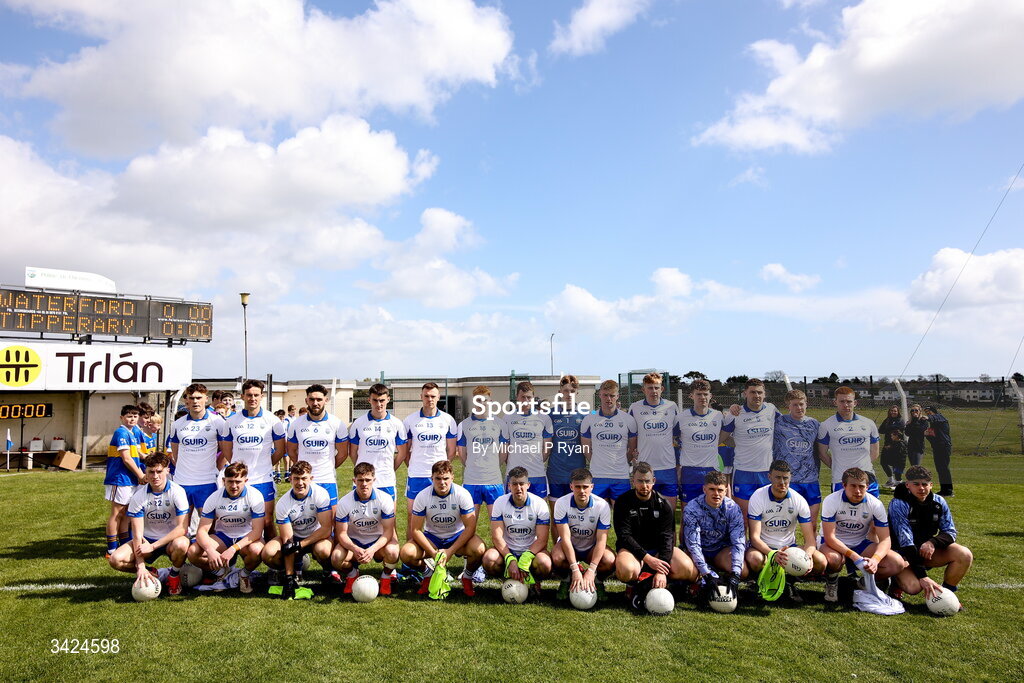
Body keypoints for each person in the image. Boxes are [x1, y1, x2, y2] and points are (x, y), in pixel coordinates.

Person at [819, 467, 906, 602]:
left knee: (897, 563)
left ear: (867, 487)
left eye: (861, 486)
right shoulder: (832, 500)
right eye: (853, 486)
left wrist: (875, 560)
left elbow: (885, 539)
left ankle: (861, 583)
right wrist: (854, 557)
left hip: (860, 543)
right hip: (833, 544)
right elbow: (830, 537)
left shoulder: (875, 504)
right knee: (834, 559)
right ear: (844, 485)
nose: (858, 491)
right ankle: (832, 582)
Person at [614, 462, 697, 603]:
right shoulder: (623, 502)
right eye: (640, 481)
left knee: (689, 570)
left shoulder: (664, 504)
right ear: (633, 481)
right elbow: (624, 536)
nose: (644, 485)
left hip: (658, 551)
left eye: (647, 481)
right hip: (633, 552)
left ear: (654, 481)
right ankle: (632, 585)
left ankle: (662, 581)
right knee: (625, 570)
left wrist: (661, 569)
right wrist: (647, 558)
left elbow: (668, 538)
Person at [400, 460, 485, 597]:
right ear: (432, 478)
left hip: (456, 536)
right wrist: (434, 554)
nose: (442, 482)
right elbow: (415, 530)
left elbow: (470, 527)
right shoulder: (422, 496)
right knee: (406, 553)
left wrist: (450, 551)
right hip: (432, 537)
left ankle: (467, 577)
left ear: (452, 477)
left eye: (446, 478)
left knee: (479, 549)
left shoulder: (462, 494)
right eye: (438, 478)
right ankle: (427, 575)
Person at [109, 453, 190, 595]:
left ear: (167, 471)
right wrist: (140, 566)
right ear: (145, 471)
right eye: (151, 472)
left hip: (169, 540)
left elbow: (182, 528)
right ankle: (152, 573)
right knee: (116, 560)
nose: (155, 476)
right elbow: (137, 534)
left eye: (159, 471)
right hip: (146, 540)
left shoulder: (177, 492)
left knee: (182, 544)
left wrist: (153, 546)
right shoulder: (139, 496)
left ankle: (174, 575)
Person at [889, 465, 972, 604]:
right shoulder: (899, 503)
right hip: (902, 554)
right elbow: (905, 541)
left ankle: (947, 596)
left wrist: (931, 543)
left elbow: (950, 531)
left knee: (964, 554)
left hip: (925, 552)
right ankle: (895, 584)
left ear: (931, 485)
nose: (921, 488)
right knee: (914, 588)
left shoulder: (939, 502)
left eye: (925, 484)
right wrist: (923, 576)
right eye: (916, 484)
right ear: (908, 485)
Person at [744, 460, 825, 601]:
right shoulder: (758, 497)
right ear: (769, 477)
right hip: (764, 548)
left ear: (790, 478)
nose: (782, 482)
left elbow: (810, 541)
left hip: (789, 548)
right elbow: (754, 538)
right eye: (778, 477)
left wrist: (808, 556)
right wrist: (773, 554)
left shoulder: (799, 500)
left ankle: (790, 582)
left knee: (820, 561)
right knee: (754, 559)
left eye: (785, 478)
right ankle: (758, 581)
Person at [187, 462, 266, 594]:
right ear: (223, 481)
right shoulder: (214, 497)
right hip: (223, 537)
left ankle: (244, 575)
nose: (234, 486)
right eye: (230, 481)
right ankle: (221, 572)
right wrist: (210, 550)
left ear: (246, 481)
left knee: (257, 550)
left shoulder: (255, 496)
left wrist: (233, 549)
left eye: (238, 481)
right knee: (193, 552)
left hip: (246, 536)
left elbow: (257, 531)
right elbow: (201, 531)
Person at [223, 379, 286, 540]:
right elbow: (227, 450)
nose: (252, 398)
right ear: (242, 396)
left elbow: (280, 449)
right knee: (239, 520)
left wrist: (265, 464)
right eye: (249, 395)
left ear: (262, 396)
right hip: (239, 480)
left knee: (267, 520)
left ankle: (272, 559)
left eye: (256, 395)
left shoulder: (272, 420)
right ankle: (235, 559)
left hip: (263, 479)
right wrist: (239, 469)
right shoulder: (231, 421)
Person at [262, 460, 333, 598]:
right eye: (296, 479)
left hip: (316, 537)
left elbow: (326, 529)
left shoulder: (321, 494)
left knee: (323, 550)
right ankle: (288, 573)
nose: (300, 483)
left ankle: (327, 571)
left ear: (311, 479)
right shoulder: (283, 503)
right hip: (295, 537)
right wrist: (289, 578)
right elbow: (288, 542)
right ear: (290, 479)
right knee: (268, 553)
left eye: (304, 478)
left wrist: (300, 545)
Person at [332, 462, 401, 595]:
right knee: (336, 558)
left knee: (393, 552)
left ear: (374, 480)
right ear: (354, 480)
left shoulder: (385, 499)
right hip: (354, 542)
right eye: (360, 480)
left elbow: (388, 531)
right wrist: (355, 548)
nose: (364, 484)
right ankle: (352, 574)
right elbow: (341, 534)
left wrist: (372, 550)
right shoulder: (344, 502)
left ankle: (386, 577)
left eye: (368, 480)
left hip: (378, 541)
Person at [482, 467, 552, 591]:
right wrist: (510, 558)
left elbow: (542, 540)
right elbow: (496, 536)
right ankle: (507, 577)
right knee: (489, 559)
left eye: (521, 484)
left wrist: (526, 557)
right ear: (509, 486)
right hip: (508, 551)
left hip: (531, 552)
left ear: (528, 485)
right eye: (514, 484)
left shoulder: (540, 504)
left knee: (544, 563)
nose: (518, 488)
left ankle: (535, 580)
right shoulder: (500, 502)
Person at [682, 470, 747, 600]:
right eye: (712, 489)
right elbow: (693, 544)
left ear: (725, 490)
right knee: (688, 571)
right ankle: (701, 580)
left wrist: (735, 574)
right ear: (704, 489)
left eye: (720, 490)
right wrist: (705, 573)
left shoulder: (733, 508)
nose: (716, 494)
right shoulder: (692, 508)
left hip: (720, 551)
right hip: (698, 550)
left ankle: (724, 580)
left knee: (743, 571)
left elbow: (738, 541)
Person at [169, 383, 229, 523]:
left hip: (206, 481)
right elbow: (176, 453)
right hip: (182, 481)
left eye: (198, 397)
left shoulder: (217, 421)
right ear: (186, 401)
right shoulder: (177, 424)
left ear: (206, 399)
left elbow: (225, 451)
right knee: (181, 526)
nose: (195, 401)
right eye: (192, 398)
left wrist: (216, 469)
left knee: (209, 524)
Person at [551, 467, 615, 600]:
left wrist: (591, 570)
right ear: (571, 486)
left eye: (585, 487)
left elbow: (602, 540)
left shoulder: (602, 506)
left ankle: (597, 582)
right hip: (570, 546)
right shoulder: (561, 503)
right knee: (557, 557)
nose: (581, 491)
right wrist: (574, 568)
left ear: (592, 487)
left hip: (591, 547)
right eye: (577, 487)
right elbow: (565, 538)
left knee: (609, 559)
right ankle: (567, 579)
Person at [722, 378, 778, 524]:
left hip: (766, 472)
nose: (756, 395)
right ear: (745, 393)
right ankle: (744, 546)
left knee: (767, 515)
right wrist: (739, 443)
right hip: (743, 471)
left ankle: (763, 546)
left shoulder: (771, 410)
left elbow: (788, 424)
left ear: (764, 394)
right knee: (744, 516)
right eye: (752, 392)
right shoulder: (735, 414)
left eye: (760, 392)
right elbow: (721, 438)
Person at [286, 384, 348, 507]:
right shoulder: (296, 424)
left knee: (331, 520)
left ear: (326, 400)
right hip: (304, 480)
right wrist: (303, 470)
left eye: (319, 399)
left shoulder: (336, 423)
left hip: (327, 480)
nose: (315, 403)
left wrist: (328, 467)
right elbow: (292, 451)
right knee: (305, 520)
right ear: (306, 401)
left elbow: (343, 453)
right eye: (312, 399)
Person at [628, 372, 680, 509]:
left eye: (656, 387)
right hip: (645, 467)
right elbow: (631, 435)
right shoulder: (635, 408)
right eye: (650, 388)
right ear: (643, 389)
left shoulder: (672, 406)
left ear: (662, 389)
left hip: (668, 466)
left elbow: (678, 434)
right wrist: (633, 458)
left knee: (669, 513)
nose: (654, 391)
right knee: (645, 513)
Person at [772, 389, 823, 530]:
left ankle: (811, 550)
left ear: (806, 404)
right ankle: (788, 550)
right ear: (788, 406)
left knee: (811, 522)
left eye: (801, 404)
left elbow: (821, 449)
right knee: (786, 523)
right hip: (788, 480)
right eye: (794, 405)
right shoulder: (778, 422)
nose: (799, 408)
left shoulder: (814, 425)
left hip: (810, 480)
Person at [348, 383, 408, 500]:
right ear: (369, 400)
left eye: (382, 400)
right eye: (375, 400)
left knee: (389, 517)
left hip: (386, 480)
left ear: (388, 400)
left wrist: (390, 469)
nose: (379, 404)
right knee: (360, 517)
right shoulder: (358, 423)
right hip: (363, 481)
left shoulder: (397, 424)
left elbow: (402, 453)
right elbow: (353, 452)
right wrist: (362, 470)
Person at [817, 387, 881, 497]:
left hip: (867, 479)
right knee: (842, 514)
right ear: (835, 402)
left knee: (871, 513)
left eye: (849, 401)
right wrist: (838, 466)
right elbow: (822, 454)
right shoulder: (826, 425)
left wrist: (861, 468)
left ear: (855, 403)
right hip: (840, 480)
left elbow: (875, 453)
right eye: (842, 401)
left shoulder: (868, 423)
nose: (846, 405)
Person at [581, 380, 637, 503]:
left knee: (622, 517)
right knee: (598, 517)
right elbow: (586, 449)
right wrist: (597, 461)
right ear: (599, 395)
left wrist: (622, 462)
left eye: (612, 395)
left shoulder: (628, 419)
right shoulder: (589, 419)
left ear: (617, 396)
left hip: (620, 476)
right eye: (605, 395)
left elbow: (632, 449)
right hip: (597, 476)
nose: (609, 399)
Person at [403, 382, 458, 505]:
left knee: (439, 511)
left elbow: (452, 451)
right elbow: (405, 452)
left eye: (433, 396)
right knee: (412, 513)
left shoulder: (448, 420)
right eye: (426, 396)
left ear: (439, 397)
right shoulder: (410, 420)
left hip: (440, 476)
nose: (430, 399)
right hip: (417, 474)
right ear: (421, 397)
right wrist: (414, 466)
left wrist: (443, 470)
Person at [457, 386, 507, 519]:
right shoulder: (464, 425)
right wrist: (473, 466)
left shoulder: (500, 424)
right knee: (469, 525)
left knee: (498, 523)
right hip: (471, 481)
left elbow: (503, 452)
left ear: (491, 402)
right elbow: (462, 454)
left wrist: (494, 465)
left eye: (485, 400)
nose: (482, 403)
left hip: (494, 480)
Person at [104, 404, 146, 555]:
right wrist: (140, 475)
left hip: (129, 479)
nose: (132, 419)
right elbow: (127, 459)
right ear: (121, 418)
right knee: (117, 513)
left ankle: (123, 546)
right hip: (119, 478)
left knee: (127, 514)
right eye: (129, 416)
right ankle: (111, 549)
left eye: (135, 416)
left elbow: (137, 453)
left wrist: (147, 458)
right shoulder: (121, 432)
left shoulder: (132, 432)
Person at [677, 380, 725, 511]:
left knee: (713, 513)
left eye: (705, 394)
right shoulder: (681, 417)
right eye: (698, 394)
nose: (702, 397)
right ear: (691, 396)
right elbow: (672, 440)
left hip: (712, 469)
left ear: (710, 396)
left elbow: (727, 436)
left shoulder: (718, 416)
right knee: (688, 514)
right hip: (690, 471)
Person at [504, 381, 554, 498]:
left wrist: (537, 461)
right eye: (523, 397)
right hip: (513, 474)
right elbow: (505, 446)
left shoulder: (544, 418)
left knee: (540, 511)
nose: (526, 401)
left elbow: (547, 448)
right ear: (517, 397)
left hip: (537, 474)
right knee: (513, 511)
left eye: (529, 397)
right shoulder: (508, 417)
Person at [547, 375, 587, 506]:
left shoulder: (585, 415)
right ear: (560, 392)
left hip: (577, 472)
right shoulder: (550, 415)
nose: (569, 394)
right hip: (556, 473)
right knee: (555, 518)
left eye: (573, 391)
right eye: (566, 391)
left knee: (575, 517)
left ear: (577, 393)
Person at [924, 406, 954, 497]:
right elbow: (934, 438)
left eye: (929, 412)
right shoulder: (934, 424)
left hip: (944, 447)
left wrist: (927, 417)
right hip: (937, 447)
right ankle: (943, 490)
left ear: (934, 412)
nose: (927, 414)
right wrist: (927, 435)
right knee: (940, 468)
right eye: (926, 412)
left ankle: (949, 491)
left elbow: (935, 417)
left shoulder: (940, 417)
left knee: (944, 468)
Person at [878, 405, 907, 488]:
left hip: (896, 445)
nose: (893, 412)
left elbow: (898, 430)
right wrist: (888, 428)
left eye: (895, 411)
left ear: (898, 412)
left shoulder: (900, 420)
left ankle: (898, 482)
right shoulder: (887, 420)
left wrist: (889, 428)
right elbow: (881, 430)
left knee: (896, 464)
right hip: (887, 444)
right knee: (883, 462)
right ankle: (891, 480)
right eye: (892, 411)